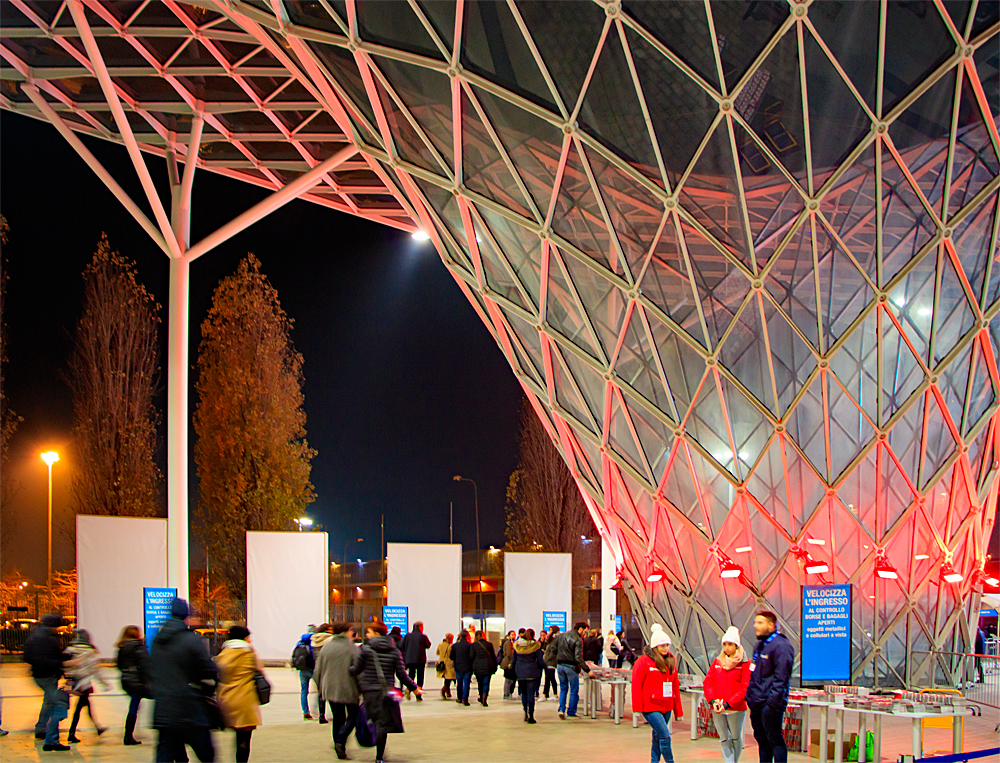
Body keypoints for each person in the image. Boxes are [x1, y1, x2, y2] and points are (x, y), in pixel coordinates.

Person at [150, 598, 218, 762]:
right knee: (207, 756)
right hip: (190, 710)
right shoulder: (191, 640)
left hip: (164, 712)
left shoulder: (157, 641)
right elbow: (209, 670)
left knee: (165, 756)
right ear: (186, 616)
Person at [350, 621, 421, 763]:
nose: (366, 635)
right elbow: (402, 674)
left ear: (376, 633)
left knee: (372, 720)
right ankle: (379, 757)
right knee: (382, 725)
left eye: (369, 632)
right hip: (385, 693)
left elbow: (355, 670)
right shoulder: (395, 651)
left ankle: (369, 742)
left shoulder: (365, 650)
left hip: (369, 692)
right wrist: (414, 688)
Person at [745, 610, 794, 763]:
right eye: (755, 622)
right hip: (757, 702)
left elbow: (781, 679)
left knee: (774, 740)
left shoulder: (782, 646)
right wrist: (750, 698)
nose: (755, 626)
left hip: (770, 704)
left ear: (771, 625)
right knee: (762, 740)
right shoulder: (760, 645)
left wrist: (771, 704)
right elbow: (754, 673)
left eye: (760, 623)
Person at [632, 624, 683, 763]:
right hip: (650, 707)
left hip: (666, 706)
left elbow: (675, 687)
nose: (665, 648)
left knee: (657, 737)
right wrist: (637, 709)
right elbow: (636, 685)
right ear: (655, 646)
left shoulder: (671, 661)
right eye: (662, 645)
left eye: (667, 645)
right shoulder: (643, 662)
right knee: (665, 736)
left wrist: (678, 711)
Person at [23, 613, 74, 751]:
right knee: (57, 705)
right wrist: (63, 662)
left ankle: (40, 728)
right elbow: (47, 659)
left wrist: (63, 657)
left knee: (49, 702)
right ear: (52, 626)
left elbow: (28, 656)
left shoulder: (36, 636)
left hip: (41, 675)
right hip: (46, 675)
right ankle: (51, 740)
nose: (58, 629)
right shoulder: (47, 639)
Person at [215, 625, 264, 763]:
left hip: (225, 699)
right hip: (245, 701)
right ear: (244, 638)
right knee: (244, 738)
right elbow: (260, 671)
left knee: (234, 734)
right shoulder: (249, 654)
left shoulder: (222, 654)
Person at [703, 626, 751, 763]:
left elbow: (744, 688)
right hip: (718, 708)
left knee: (735, 738)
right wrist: (713, 701)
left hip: (735, 708)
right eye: (724, 644)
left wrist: (728, 704)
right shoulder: (717, 661)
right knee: (724, 738)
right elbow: (708, 682)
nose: (727, 647)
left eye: (730, 644)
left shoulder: (744, 664)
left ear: (736, 645)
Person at [314, 622, 360, 760]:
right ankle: (341, 740)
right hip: (349, 688)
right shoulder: (352, 648)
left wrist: (321, 688)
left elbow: (317, 671)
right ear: (347, 632)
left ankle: (338, 746)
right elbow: (359, 669)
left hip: (330, 688)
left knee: (338, 717)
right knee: (353, 716)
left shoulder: (326, 647)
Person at [66, 629, 109, 743]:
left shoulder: (70, 650)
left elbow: (65, 665)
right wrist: (104, 683)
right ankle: (72, 733)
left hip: (75, 682)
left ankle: (97, 727)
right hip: (84, 683)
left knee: (84, 705)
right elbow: (95, 670)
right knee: (80, 707)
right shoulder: (90, 652)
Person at [116, 625, 152, 746]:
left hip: (126, 681)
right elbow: (146, 665)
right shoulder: (138, 647)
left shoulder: (122, 647)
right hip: (138, 682)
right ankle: (128, 736)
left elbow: (119, 665)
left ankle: (128, 735)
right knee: (134, 707)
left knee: (134, 705)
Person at [556, 621, 591, 719]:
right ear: (580, 629)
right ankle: (571, 712)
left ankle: (561, 709)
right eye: (585, 631)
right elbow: (578, 658)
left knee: (563, 689)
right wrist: (588, 670)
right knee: (574, 690)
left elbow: (554, 649)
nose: (585, 634)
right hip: (571, 667)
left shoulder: (562, 636)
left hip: (560, 666)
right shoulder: (578, 640)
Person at [509, 628, 545, 724]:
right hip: (532, 672)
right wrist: (543, 667)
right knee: (531, 695)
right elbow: (540, 661)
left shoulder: (517, 645)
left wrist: (512, 669)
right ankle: (531, 715)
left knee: (524, 694)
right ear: (533, 636)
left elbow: (513, 660)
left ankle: (525, 712)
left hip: (520, 672)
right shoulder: (535, 646)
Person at [401, 622, 431, 700]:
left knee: (411, 675)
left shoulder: (407, 636)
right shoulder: (423, 636)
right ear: (420, 627)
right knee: (420, 677)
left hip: (410, 659)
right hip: (420, 660)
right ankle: (418, 696)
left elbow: (402, 646)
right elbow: (428, 645)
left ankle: (408, 688)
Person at [292, 629, 318, 720]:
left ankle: (305, 711)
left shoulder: (299, 644)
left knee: (304, 691)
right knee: (320, 690)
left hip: (302, 670)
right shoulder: (312, 645)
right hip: (312, 669)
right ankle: (317, 709)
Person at [311, 624, 334, 723]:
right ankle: (335, 714)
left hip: (318, 669)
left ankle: (321, 715)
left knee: (321, 693)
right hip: (329, 669)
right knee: (332, 692)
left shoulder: (314, 640)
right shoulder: (330, 640)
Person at [472, 630, 498, 706]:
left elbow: (471, 656)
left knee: (480, 683)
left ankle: (481, 696)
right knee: (486, 683)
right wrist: (495, 666)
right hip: (488, 666)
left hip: (478, 666)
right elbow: (493, 656)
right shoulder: (489, 644)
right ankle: (484, 698)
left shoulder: (474, 645)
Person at [450, 630, 474, 706]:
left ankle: (459, 698)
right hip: (467, 667)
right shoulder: (470, 645)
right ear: (467, 636)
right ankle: (465, 699)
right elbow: (472, 656)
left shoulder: (455, 646)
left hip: (458, 667)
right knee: (466, 683)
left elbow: (451, 656)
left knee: (459, 683)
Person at [542, 626, 559, 701]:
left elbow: (553, 651)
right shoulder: (549, 639)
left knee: (551, 678)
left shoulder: (555, 639)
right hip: (547, 661)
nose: (549, 632)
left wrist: (547, 658)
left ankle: (554, 694)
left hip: (551, 662)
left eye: (551, 630)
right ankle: (545, 694)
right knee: (548, 678)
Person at [436, 634, 456, 700]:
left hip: (441, 663)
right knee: (449, 679)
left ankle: (448, 692)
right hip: (448, 664)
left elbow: (437, 653)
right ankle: (443, 690)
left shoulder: (440, 645)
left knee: (446, 678)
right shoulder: (451, 646)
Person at [499, 630, 517, 699]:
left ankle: (507, 693)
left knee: (509, 679)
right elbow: (509, 653)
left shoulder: (510, 642)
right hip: (508, 662)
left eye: (514, 634)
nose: (513, 636)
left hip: (508, 662)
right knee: (508, 679)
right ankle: (506, 694)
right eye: (512, 634)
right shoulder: (508, 642)